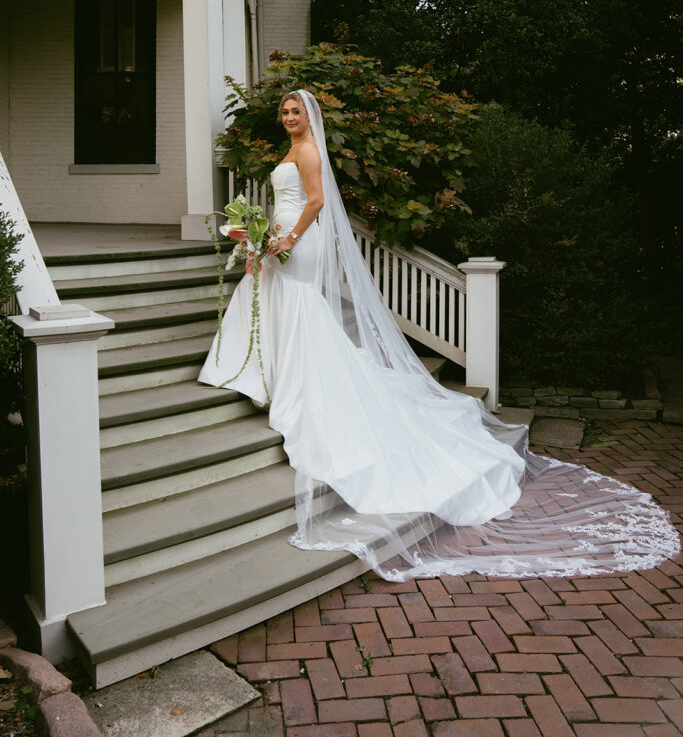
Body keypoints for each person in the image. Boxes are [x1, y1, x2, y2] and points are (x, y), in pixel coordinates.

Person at [199, 90, 680, 580]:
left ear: (310, 117)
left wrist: (287, 238)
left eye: (295, 111)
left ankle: (293, 379)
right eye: (283, 112)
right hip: (279, 235)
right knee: (272, 300)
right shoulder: (291, 149)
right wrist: (259, 233)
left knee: (296, 305)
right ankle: (266, 371)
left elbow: (318, 201)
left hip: (297, 240)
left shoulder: (308, 150)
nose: (288, 118)